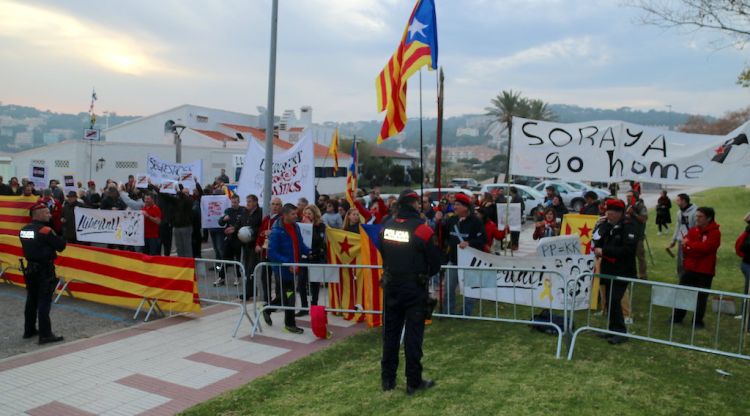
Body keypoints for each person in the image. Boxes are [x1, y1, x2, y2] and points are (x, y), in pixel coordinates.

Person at [379, 190, 441, 394]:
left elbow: (383, 251)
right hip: (414, 289)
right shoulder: (422, 230)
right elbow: (435, 264)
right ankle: (413, 382)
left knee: (390, 335)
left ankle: (388, 380)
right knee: (413, 338)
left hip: (391, 287)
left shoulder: (387, 226)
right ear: (415, 204)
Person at [20, 202, 66, 344]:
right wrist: (60, 232)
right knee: (44, 301)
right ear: (38, 214)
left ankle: (29, 330)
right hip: (44, 270)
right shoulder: (45, 231)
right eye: (47, 213)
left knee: (31, 300)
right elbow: (60, 246)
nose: (50, 215)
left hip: (30, 269)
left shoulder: (24, 230)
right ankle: (45, 334)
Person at [592, 199, 637, 345]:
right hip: (608, 269)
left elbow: (628, 250)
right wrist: (599, 228)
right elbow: (597, 242)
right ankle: (612, 329)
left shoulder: (628, 227)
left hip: (622, 270)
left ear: (618, 213)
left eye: (610, 212)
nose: (607, 215)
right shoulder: (607, 225)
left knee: (614, 300)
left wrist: (604, 251)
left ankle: (621, 332)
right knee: (609, 301)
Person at [436, 192, 485, 315]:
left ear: (465, 207)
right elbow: (441, 235)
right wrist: (438, 222)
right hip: (453, 261)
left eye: (457, 204)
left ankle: (466, 314)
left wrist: (469, 243)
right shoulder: (452, 220)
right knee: (448, 289)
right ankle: (448, 312)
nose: (454, 207)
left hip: (469, 263)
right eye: (454, 204)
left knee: (469, 291)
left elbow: (482, 240)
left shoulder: (476, 222)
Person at [673, 207, 721, 329]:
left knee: (701, 297)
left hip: (705, 270)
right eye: (696, 216)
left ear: (709, 218)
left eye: (700, 217)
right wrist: (693, 247)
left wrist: (690, 245)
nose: (697, 218)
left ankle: (697, 321)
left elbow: (707, 249)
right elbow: (686, 249)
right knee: (683, 293)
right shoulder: (693, 230)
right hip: (689, 268)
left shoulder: (715, 233)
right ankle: (677, 317)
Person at [267, 203, 310, 333]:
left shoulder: (295, 226)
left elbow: (300, 245)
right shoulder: (277, 231)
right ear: (285, 215)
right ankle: (290, 324)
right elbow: (272, 253)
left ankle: (267, 309)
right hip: (283, 270)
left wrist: (310, 252)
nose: (296, 216)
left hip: (294, 267)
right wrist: (287, 263)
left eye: (296, 213)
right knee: (289, 297)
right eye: (293, 214)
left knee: (284, 297)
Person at [298, 204, 326, 313]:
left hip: (316, 257)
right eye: (305, 213)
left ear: (314, 215)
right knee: (301, 282)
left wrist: (310, 226)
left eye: (309, 214)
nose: (307, 215)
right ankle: (304, 307)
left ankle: (314, 305)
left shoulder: (321, 226)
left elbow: (318, 241)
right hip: (304, 257)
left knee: (314, 283)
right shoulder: (301, 225)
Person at [257, 197, 283, 307]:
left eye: (277, 204)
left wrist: (272, 232)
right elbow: (260, 233)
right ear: (270, 206)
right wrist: (258, 244)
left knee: (278, 278)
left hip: (276, 253)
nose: (275, 206)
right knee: (265, 277)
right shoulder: (266, 218)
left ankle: (278, 301)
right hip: (265, 252)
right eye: (273, 204)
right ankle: (267, 300)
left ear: (281, 207)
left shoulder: (282, 219)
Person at [215, 194, 246, 286]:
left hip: (239, 238)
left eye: (235, 202)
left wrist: (235, 228)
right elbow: (220, 222)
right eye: (232, 202)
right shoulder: (228, 210)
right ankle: (221, 277)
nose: (234, 204)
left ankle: (237, 277)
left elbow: (244, 223)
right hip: (229, 239)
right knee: (224, 258)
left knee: (237, 259)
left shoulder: (243, 210)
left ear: (239, 202)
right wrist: (223, 219)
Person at [669, 193, 697, 279]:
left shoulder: (695, 212)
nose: (676, 202)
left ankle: (690, 277)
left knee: (691, 260)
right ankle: (681, 278)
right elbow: (678, 226)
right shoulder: (679, 213)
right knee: (681, 261)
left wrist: (692, 240)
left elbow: (697, 228)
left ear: (683, 201)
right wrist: (673, 240)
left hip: (692, 241)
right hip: (682, 241)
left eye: (678, 200)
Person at [240, 194, 263, 298]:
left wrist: (252, 232)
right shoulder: (245, 212)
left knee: (251, 268)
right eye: (247, 201)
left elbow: (261, 228)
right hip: (246, 245)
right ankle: (250, 291)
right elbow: (240, 224)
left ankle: (250, 292)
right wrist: (234, 229)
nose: (247, 203)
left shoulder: (261, 212)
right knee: (246, 268)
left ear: (255, 202)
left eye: (249, 201)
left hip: (255, 244)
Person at [626, 190, 649, 280]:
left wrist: (634, 214)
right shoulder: (627, 206)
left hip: (638, 235)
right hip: (628, 235)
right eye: (627, 196)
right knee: (629, 255)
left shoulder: (641, 206)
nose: (627, 198)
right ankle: (631, 273)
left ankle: (643, 275)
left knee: (640, 256)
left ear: (635, 197)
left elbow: (643, 219)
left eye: (629, 196)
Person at [734, 213, 750, 332]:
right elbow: (746, 218)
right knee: (748, 290)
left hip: (746, 263)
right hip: (747, 263)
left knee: (747, 290)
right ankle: (745, 315)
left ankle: (744, 314)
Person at [172, 186, 195, 258]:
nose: (184, 194)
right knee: (179, 247)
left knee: (187, 246)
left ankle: (188, 264)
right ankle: (181, 263)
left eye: (186, 193)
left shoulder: (190, 200)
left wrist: (179, 192)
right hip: (177, 227)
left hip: (186, 226)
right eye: (183, 193)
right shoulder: (177, 201)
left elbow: (186, 199)